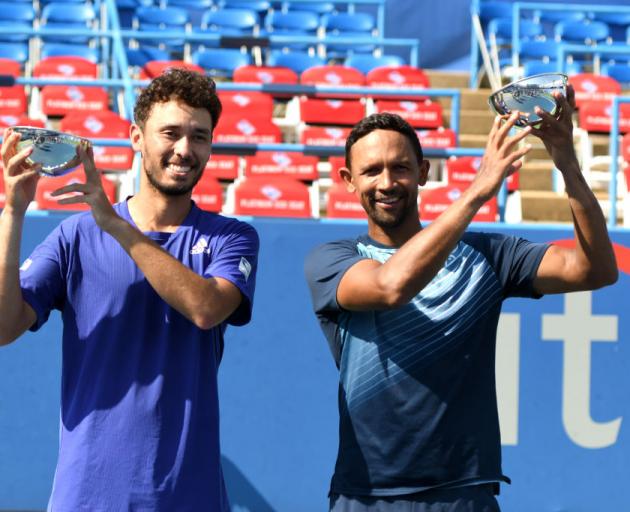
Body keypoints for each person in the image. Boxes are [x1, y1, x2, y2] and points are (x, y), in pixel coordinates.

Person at [304, 88, 617, 512]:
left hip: (464, 493)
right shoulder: (333, 260)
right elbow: (389, 288)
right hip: (366, 494)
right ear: (348, 181)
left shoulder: (490, 254)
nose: (387, 182)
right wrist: (476, 192)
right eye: (372, 170)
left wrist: (566, 162)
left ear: (423, 172)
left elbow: (596, 269)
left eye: (400, 167)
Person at [0, 68, 259, 511]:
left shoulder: (231, 237)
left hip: (188, 497)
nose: (184, 149)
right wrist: (13, 212)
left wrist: (116, 227)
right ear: (137, 138)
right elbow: (4, 328)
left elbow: (204, 308)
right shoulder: (74, 237)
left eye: (199, 136)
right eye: (170, 133)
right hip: (87, 496)